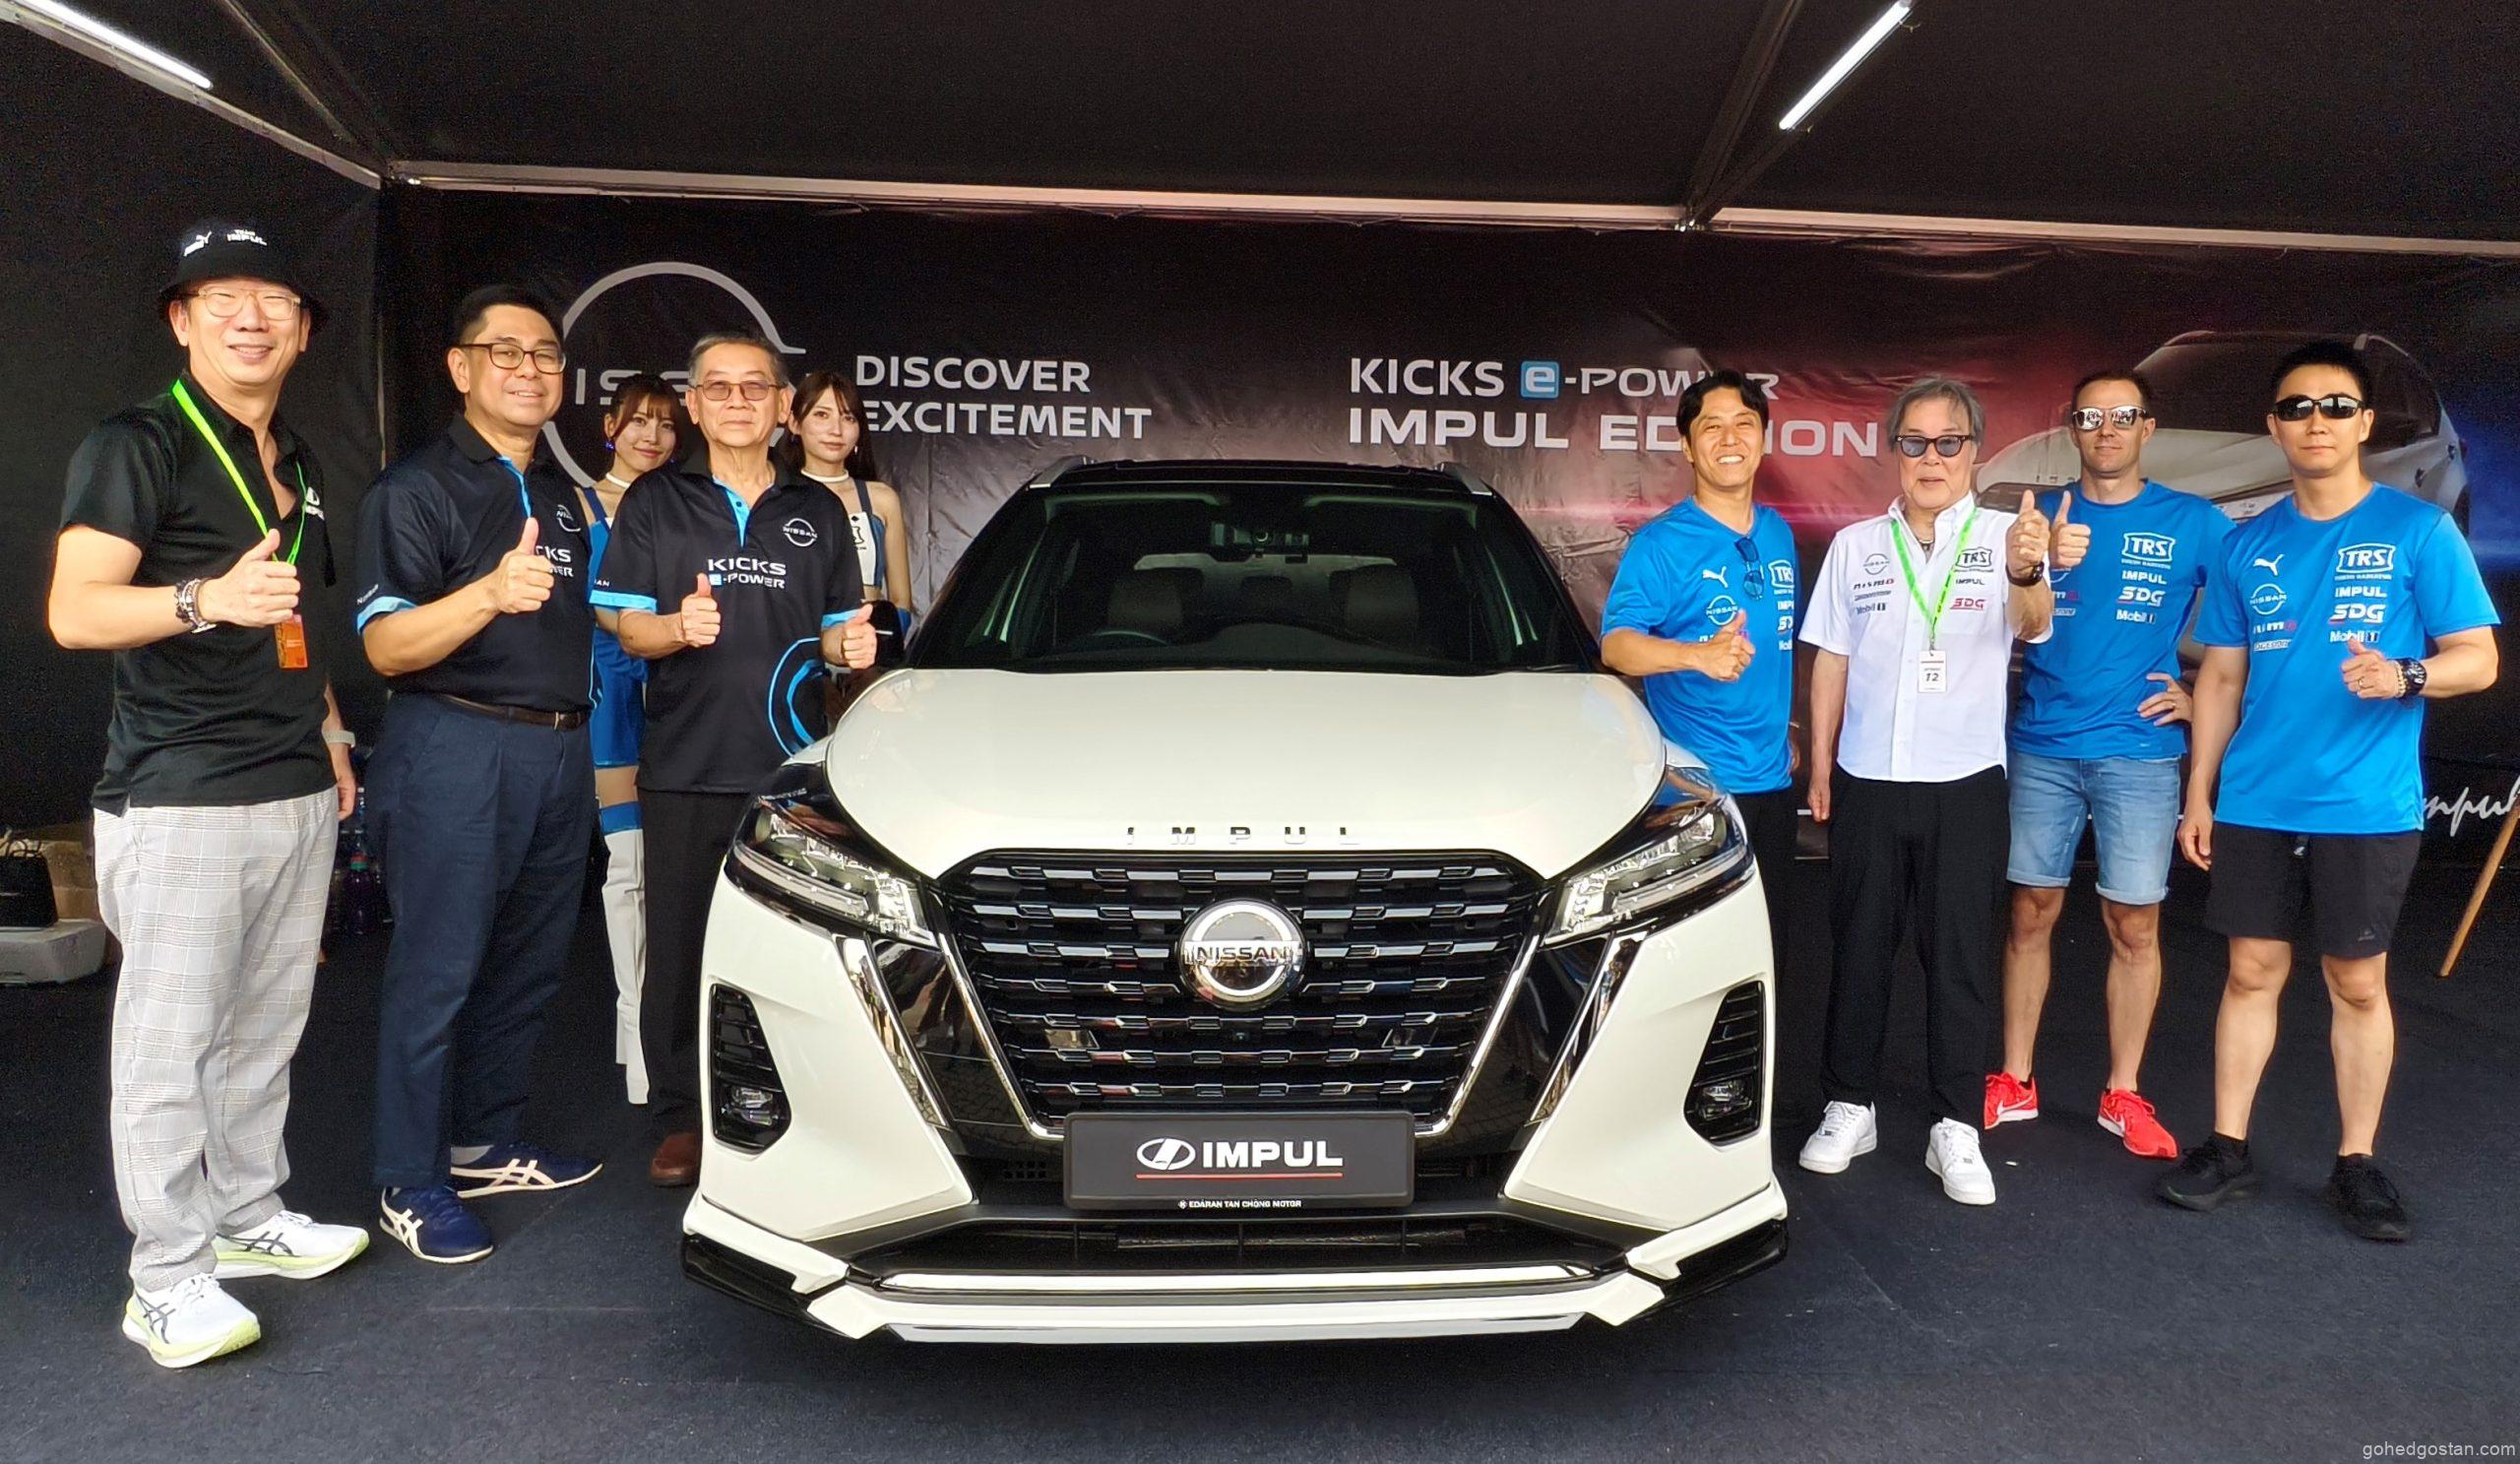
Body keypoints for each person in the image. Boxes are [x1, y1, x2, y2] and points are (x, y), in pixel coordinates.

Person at [47, 221, 366, 1368]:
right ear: (183, 322)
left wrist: (330, 734)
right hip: (181, 794)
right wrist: (201, 600)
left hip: (290, 786)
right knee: (170, 1048)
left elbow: (291, 615)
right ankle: (167, 1276)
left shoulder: (300, 460)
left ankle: (245, 1215)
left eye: (273, 299)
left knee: (262, 1030)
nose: (250, 315)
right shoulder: (139, 443)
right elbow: (75, 611)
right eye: (221, 297)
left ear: (303, 330)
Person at [2161, 340, 2498, 1241]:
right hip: (2257, 799)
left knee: (2356, 980)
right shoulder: (2246, 544)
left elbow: (2479, 658)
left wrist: (2407, 675)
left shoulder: (2418, 531)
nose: (2318, 422)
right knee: (2250, 971)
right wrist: (2200, 792)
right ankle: (2228, 1145)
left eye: (2337, 406)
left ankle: (2357, 1161)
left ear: (2365, 423)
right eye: (2298, 407)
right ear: (2275, 427)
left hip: (2365, 802)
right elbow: (2220, 678)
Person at [593, 333, 878, 1187]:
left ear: (783, 405)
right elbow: (625, 626)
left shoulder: (816, 508)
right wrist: (676, 628)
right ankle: (684, 1118)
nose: (738, 401)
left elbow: (835, 630)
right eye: (718, 388)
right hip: (684, 763)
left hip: (789, 773)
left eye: (756, 387)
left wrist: (850, 645)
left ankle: (800, 1107)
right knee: (680, 951)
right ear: (694, 403)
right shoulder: (656, 500)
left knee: (794, 950)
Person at [354, 286, 601, 1264]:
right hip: (455, 746)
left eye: (545, 354)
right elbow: (386, 646)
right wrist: (489, 592)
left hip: (557, 750)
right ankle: (409, 1178)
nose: (529, 369)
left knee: (527, 964)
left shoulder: (561, 495)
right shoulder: (415, 489)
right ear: (460, 368)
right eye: (506, 351)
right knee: (438, 971)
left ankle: (483, 1141)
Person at [1796, 376, 2077, 1207]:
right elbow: (1831, 658)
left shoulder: (2004, 536)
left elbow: (2032, 622)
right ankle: (1850, 1104)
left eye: (1948, 442)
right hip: (1869, 778)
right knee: (1858, 949)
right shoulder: (1856, 546)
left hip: (1965, 784)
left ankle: (1955, 1123)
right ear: (1895, 451)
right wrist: (1822, 765)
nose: (1931, 458)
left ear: (1974, 451)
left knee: (1957, 960)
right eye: (1914, 442)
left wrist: (2027, 566)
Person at [1987, 370, 2230, 1160]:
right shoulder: (2038, 518)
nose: (2107, 429)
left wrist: (2200, 696)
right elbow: (2007, 622)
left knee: (2134, 922)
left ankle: (2123, 1091)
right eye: (2091, 416)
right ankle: (2015, 1078)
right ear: (2074, 429)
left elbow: (2252, 624)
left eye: (2123, 416)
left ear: (2147, 428)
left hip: (2140, 753)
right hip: (2043, 744)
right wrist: (2032, 562)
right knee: (2031, 912)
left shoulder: (2194, 521)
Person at [1601, 370, 1800, 955]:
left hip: (1772, 784)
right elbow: (1616, 646)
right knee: (1702, 957)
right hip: (1699, 788)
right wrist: (1697, 655)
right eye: (1711, 427)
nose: (1730, 439)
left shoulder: (1779, 533)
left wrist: (1784, 729)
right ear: (1688, 447)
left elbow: (1778, 649)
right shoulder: (1662, 544)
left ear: (1763, 438)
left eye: (1744, 424)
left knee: (1770, 951)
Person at [582, 373, 680, 1105]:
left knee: (668, 876)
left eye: (666, 424)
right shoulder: (577, 504)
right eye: (639, 420)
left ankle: (656, 1043)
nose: (652, 435)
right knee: (629, 872)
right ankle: (638, 1047)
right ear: (610, 427)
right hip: (608, 696)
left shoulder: (683, 507)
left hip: (677, 696)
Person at [789, 370, 914, 622]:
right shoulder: (776, 495)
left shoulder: (881, 499)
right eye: (822, 415)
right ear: (795, 423)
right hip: (797, 640)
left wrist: (879, 637)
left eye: (848, 418)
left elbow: (901, 601)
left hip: (863, 640)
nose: (836, 430)